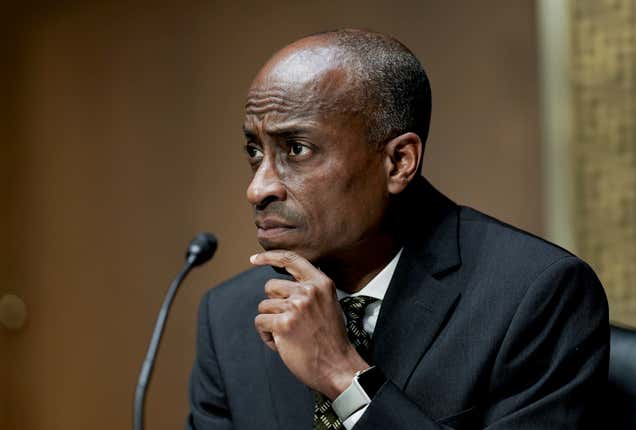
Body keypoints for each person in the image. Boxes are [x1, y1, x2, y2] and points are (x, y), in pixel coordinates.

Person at [186, 29, 609, 429]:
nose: (257, 187)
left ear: (399, 162)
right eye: (254, 151)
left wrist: (343, 376)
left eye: (297, 149)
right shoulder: (229, 317)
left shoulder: (536, 295)